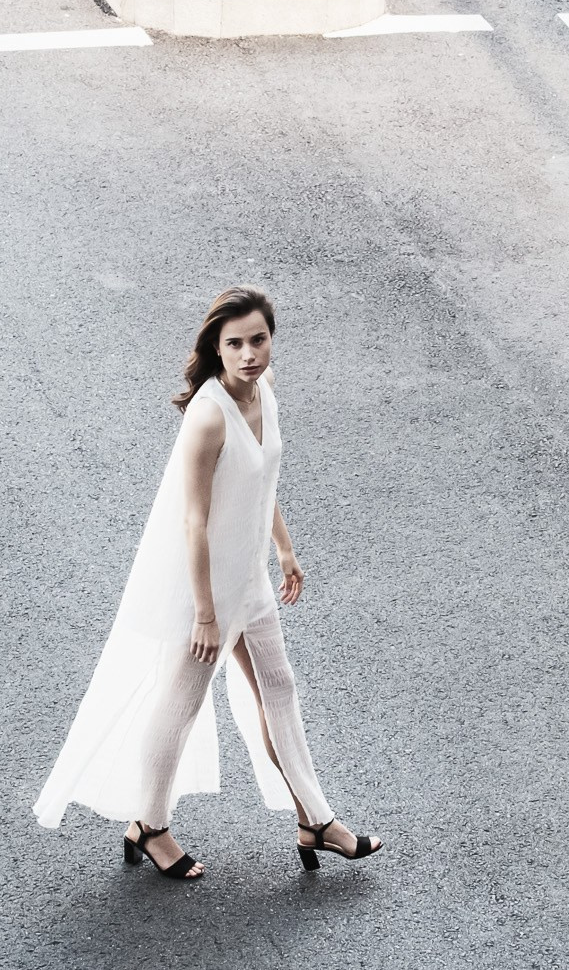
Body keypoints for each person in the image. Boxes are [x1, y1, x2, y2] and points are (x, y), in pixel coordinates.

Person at [34, 286, 381, 881]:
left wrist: (286, 551)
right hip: (209, 588)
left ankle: (316, 821)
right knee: (184, 702)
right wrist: (203, 612)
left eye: (259, 340)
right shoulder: (208, 414)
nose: (249, 354)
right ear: (216, 349)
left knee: (281, 691)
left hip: (248, 577)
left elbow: (260, 482)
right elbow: (194, 519)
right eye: (235, 344)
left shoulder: (264, 394)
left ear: (271, 340)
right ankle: (149, 824)